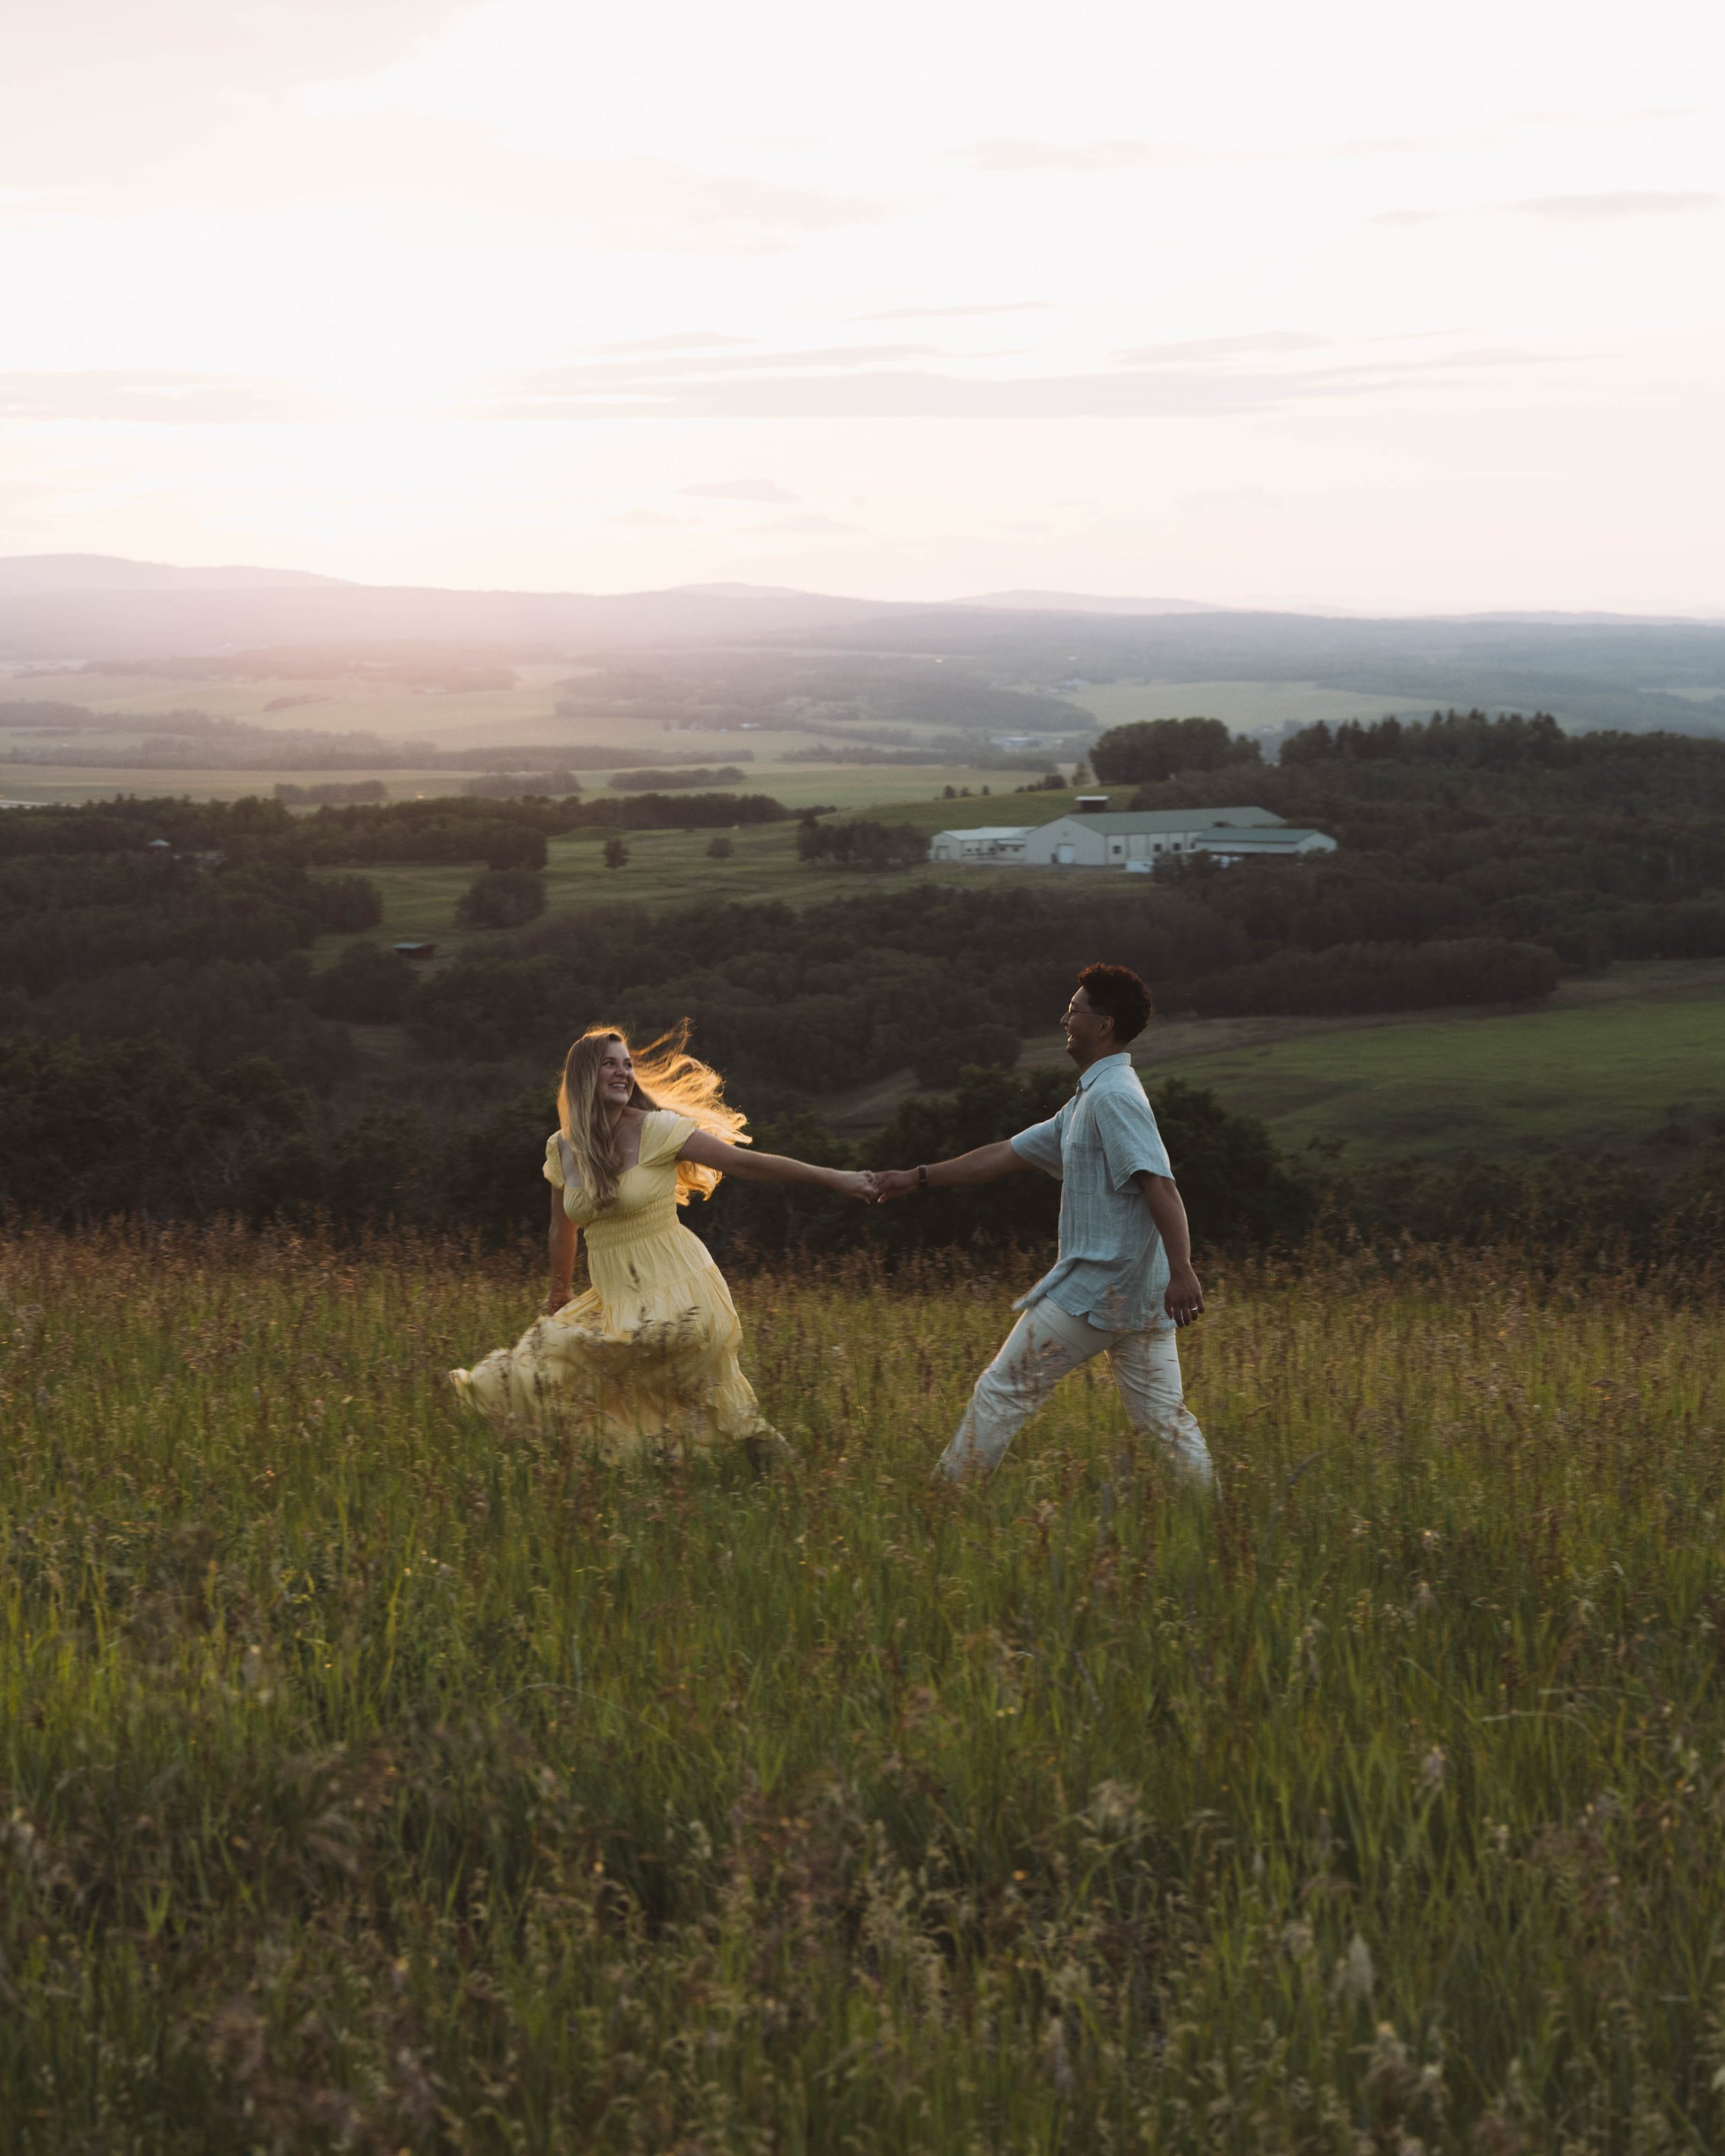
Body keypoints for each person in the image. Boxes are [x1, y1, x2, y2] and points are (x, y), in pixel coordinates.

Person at [450, 1025, 876, 1458]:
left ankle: (758, 1457)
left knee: (672, 1383)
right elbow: (562, 1228)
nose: (623, 1073)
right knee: (531, 1372)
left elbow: (747, 1163)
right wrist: (559, 1289)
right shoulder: (562, 1148)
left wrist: (835, 1178)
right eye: (610, 1064)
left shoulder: (658, 1130)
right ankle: (743, 1459)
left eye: (628, 1065)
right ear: (583, 1077)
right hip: (615, 1292)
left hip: (677, 1283)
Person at [874, 963, 1215, 1488]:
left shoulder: (1114, 1096)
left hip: (1097, 1291)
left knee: (1003, 1390)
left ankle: (942, 1501)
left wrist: (1183, 1271)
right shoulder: (1088, 1099)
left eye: (1074, 1010)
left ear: (1103, 1025)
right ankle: (1210, 1515)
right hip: (1138, 1300)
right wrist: (915, 1178)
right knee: (1166, 1422)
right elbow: (1003, 1155)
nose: (1064, 1018)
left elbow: (1160, 1184)